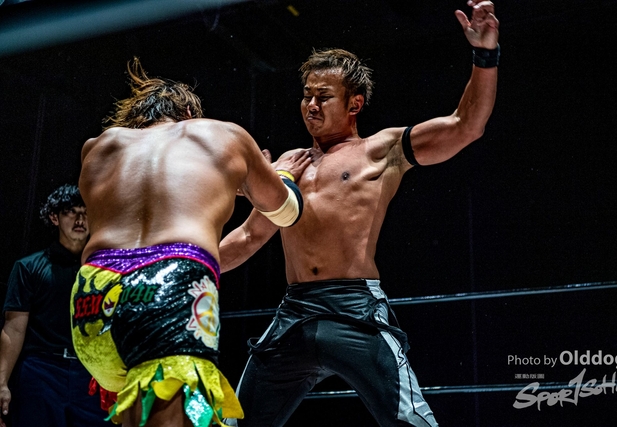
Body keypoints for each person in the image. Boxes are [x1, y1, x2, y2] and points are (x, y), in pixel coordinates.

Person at [218, 2, 500, 426]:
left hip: (354, 307)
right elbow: (248, 237)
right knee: (239, 421)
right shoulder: (288, 166)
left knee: (411, 422)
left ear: (355, 104)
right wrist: (185, 266)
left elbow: (467, 125)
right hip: (295, 311)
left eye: (323, 96)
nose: (311, 105)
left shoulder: (380, 151)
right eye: (307, 95)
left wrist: (484, 54)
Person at [70, 58, 306, 427]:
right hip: (168, 287)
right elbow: (287, 212)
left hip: (92, 297)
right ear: (190, 114)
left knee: (187, 418)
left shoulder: (97, 148)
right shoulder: (222, 135)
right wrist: (282, 173)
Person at [0, 184, 109, 427]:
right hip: (41, 371)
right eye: (71, 211)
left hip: (92, 374)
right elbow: (14, 328)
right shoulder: (28, 267)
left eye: (86, 212)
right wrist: (1, 383)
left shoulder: (107, 272)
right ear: (54, 217)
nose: (80, 219)